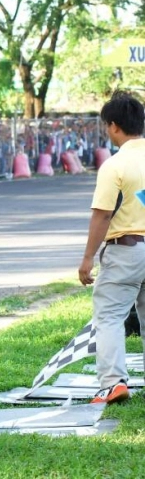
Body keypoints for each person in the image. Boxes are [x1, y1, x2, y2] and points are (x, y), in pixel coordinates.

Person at [78, 91, 145, 405]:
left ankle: (113, 383)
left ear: (115, 126)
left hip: (126, 251)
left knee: (108, 317)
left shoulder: (115, 165)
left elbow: (103, 214)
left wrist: (88, 258)